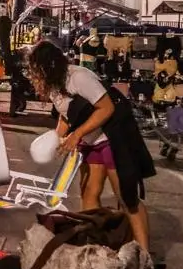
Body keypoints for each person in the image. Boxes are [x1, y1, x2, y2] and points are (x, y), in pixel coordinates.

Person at [27, 40, 154, 255]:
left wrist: (77, 134)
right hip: (90, 142)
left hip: (111, 138)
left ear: (47, 65)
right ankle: (94, 247)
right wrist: (57, 139)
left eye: (35, 69)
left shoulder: (78, 76)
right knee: (88, 194)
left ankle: (144, 254)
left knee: (126, 196)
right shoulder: (55, 85)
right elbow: (66, 115)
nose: (33, 74)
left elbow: (106, 108)